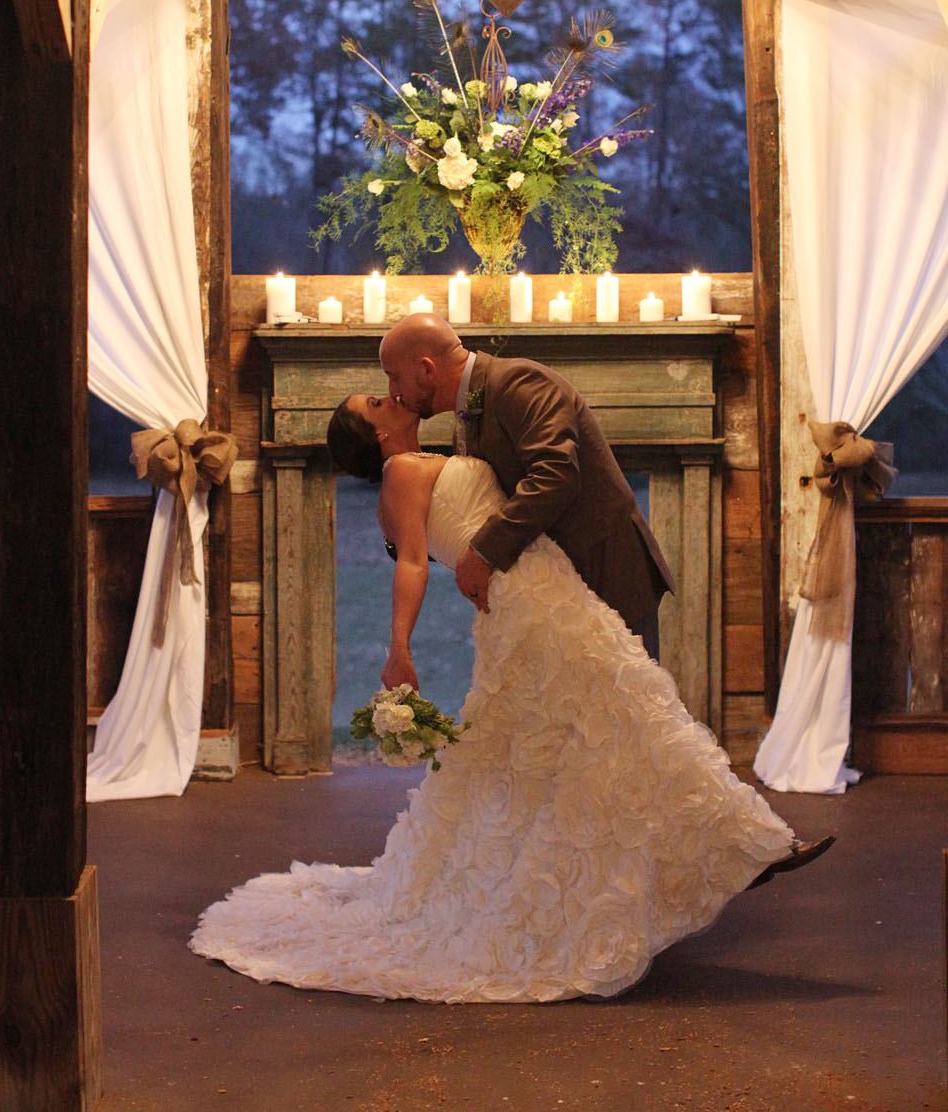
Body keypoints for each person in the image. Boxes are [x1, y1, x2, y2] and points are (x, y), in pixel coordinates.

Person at [190, 383, 833, 1005]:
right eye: (377, 403)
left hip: (547, 591)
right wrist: (399, 648)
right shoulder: (403, 472)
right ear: (378, 434)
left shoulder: (426, 459)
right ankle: (744, 842)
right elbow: (412, 560)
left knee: (592, 727)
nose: (391, 396)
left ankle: (712, 849)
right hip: (529, 604)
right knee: (628, 709)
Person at [378, 314, 674, 658]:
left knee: (626, 687)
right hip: (556, 587)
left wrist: (484, 551)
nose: (393, 393)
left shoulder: (517, 382)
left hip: (606, 572)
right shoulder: (469, 409)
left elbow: (556, 475)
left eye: (394, 377)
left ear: (427, 369)